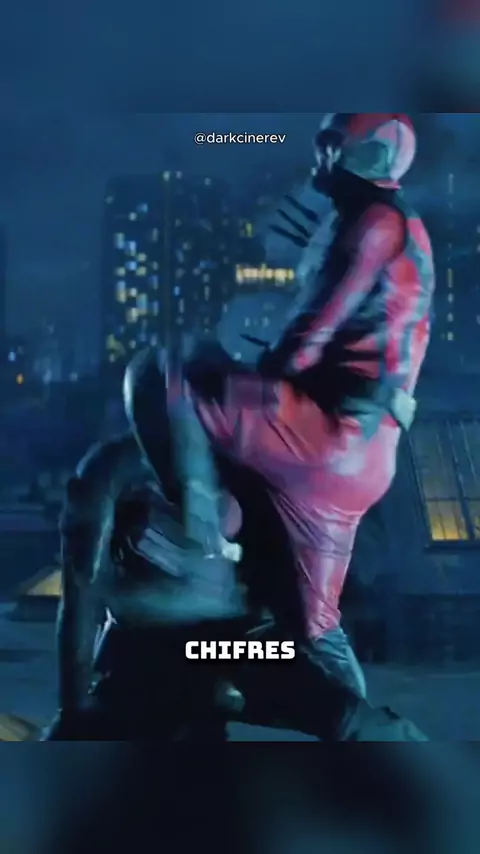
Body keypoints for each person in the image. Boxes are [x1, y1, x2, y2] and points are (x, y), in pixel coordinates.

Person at [180, 113, 435, 737]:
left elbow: (309, 336)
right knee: (314, 627)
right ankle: (371, 742)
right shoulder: (399, 226)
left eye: (330, 146)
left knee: (174, 378)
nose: (317, 158)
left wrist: (258, 381)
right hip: (361, 450)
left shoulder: (371, 223)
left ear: (362, 154)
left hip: (326, 433)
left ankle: (202, 536)